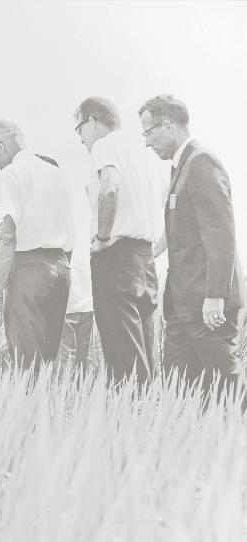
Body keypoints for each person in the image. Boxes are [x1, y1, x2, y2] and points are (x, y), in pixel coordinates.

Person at [138, 94, 244, 392]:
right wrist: (145, 253)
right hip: (183, 306)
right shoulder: (179, 168)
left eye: (148, 132)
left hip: (207, 306)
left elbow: (221, 233)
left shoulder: (201, 162)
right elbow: (179, 231)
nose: (146, 142)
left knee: (227, 388)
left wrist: (215, 296)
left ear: (169, 125)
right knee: (179, 389)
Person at [73, 97, 161, 383]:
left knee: (122, 349)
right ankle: (149, 405)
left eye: (79, 130)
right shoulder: (144, 152)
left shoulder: (104, 145)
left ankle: (129, 406)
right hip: (144, 258)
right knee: (145, 346)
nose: (81, 139)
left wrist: (102, 237)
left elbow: (109, 188)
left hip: (115, 256)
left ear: (92, 121)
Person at [0, 119, 74, 368]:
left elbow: (6, 236)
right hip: (62, 269)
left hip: (28, 272)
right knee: (48, 359)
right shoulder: (58, 174)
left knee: (26, 362)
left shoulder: (12, 173)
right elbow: (71, 233)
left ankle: (27, 395)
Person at [59, 172, 94, 368]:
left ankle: (64, 390)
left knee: (65, 359)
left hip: (69, 299)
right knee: (82, 361)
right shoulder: (90, 215)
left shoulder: (63, 213)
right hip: (87, 297)